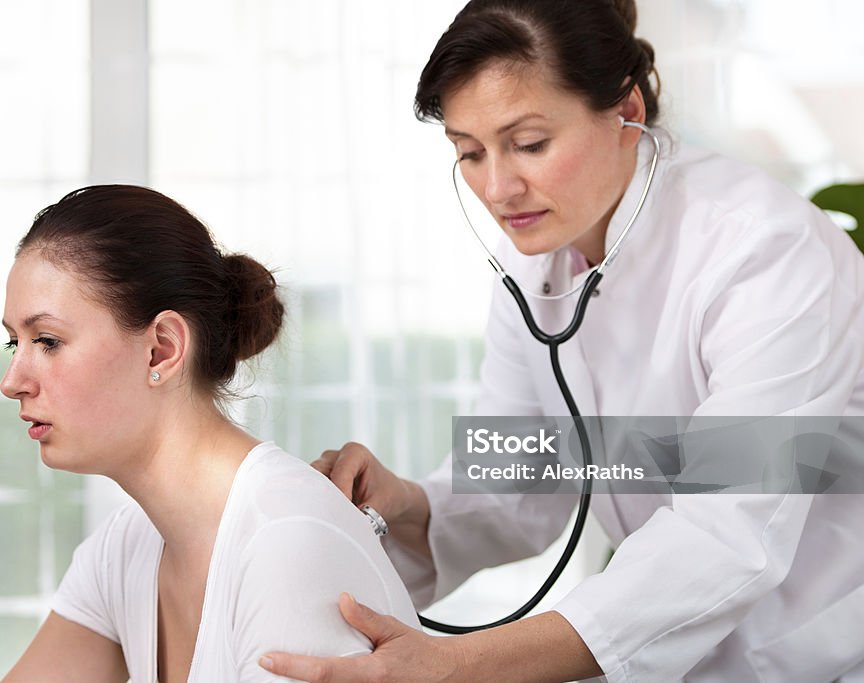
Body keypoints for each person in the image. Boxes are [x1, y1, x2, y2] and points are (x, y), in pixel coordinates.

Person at [258, 0, 864, 681]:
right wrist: (405, 505)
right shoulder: (533, 262)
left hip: (825, 650)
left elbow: (726, 533)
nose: (498, 187)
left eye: (530, 143)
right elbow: (522, 476)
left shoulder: (765, 253)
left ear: (626, 113)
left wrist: (461, 664)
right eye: (470, 152)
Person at [0, 185, 420, 682]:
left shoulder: (285, 546)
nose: (13, 382)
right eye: (16, 343)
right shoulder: (127, 549)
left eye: (48, 341)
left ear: (162, 349)